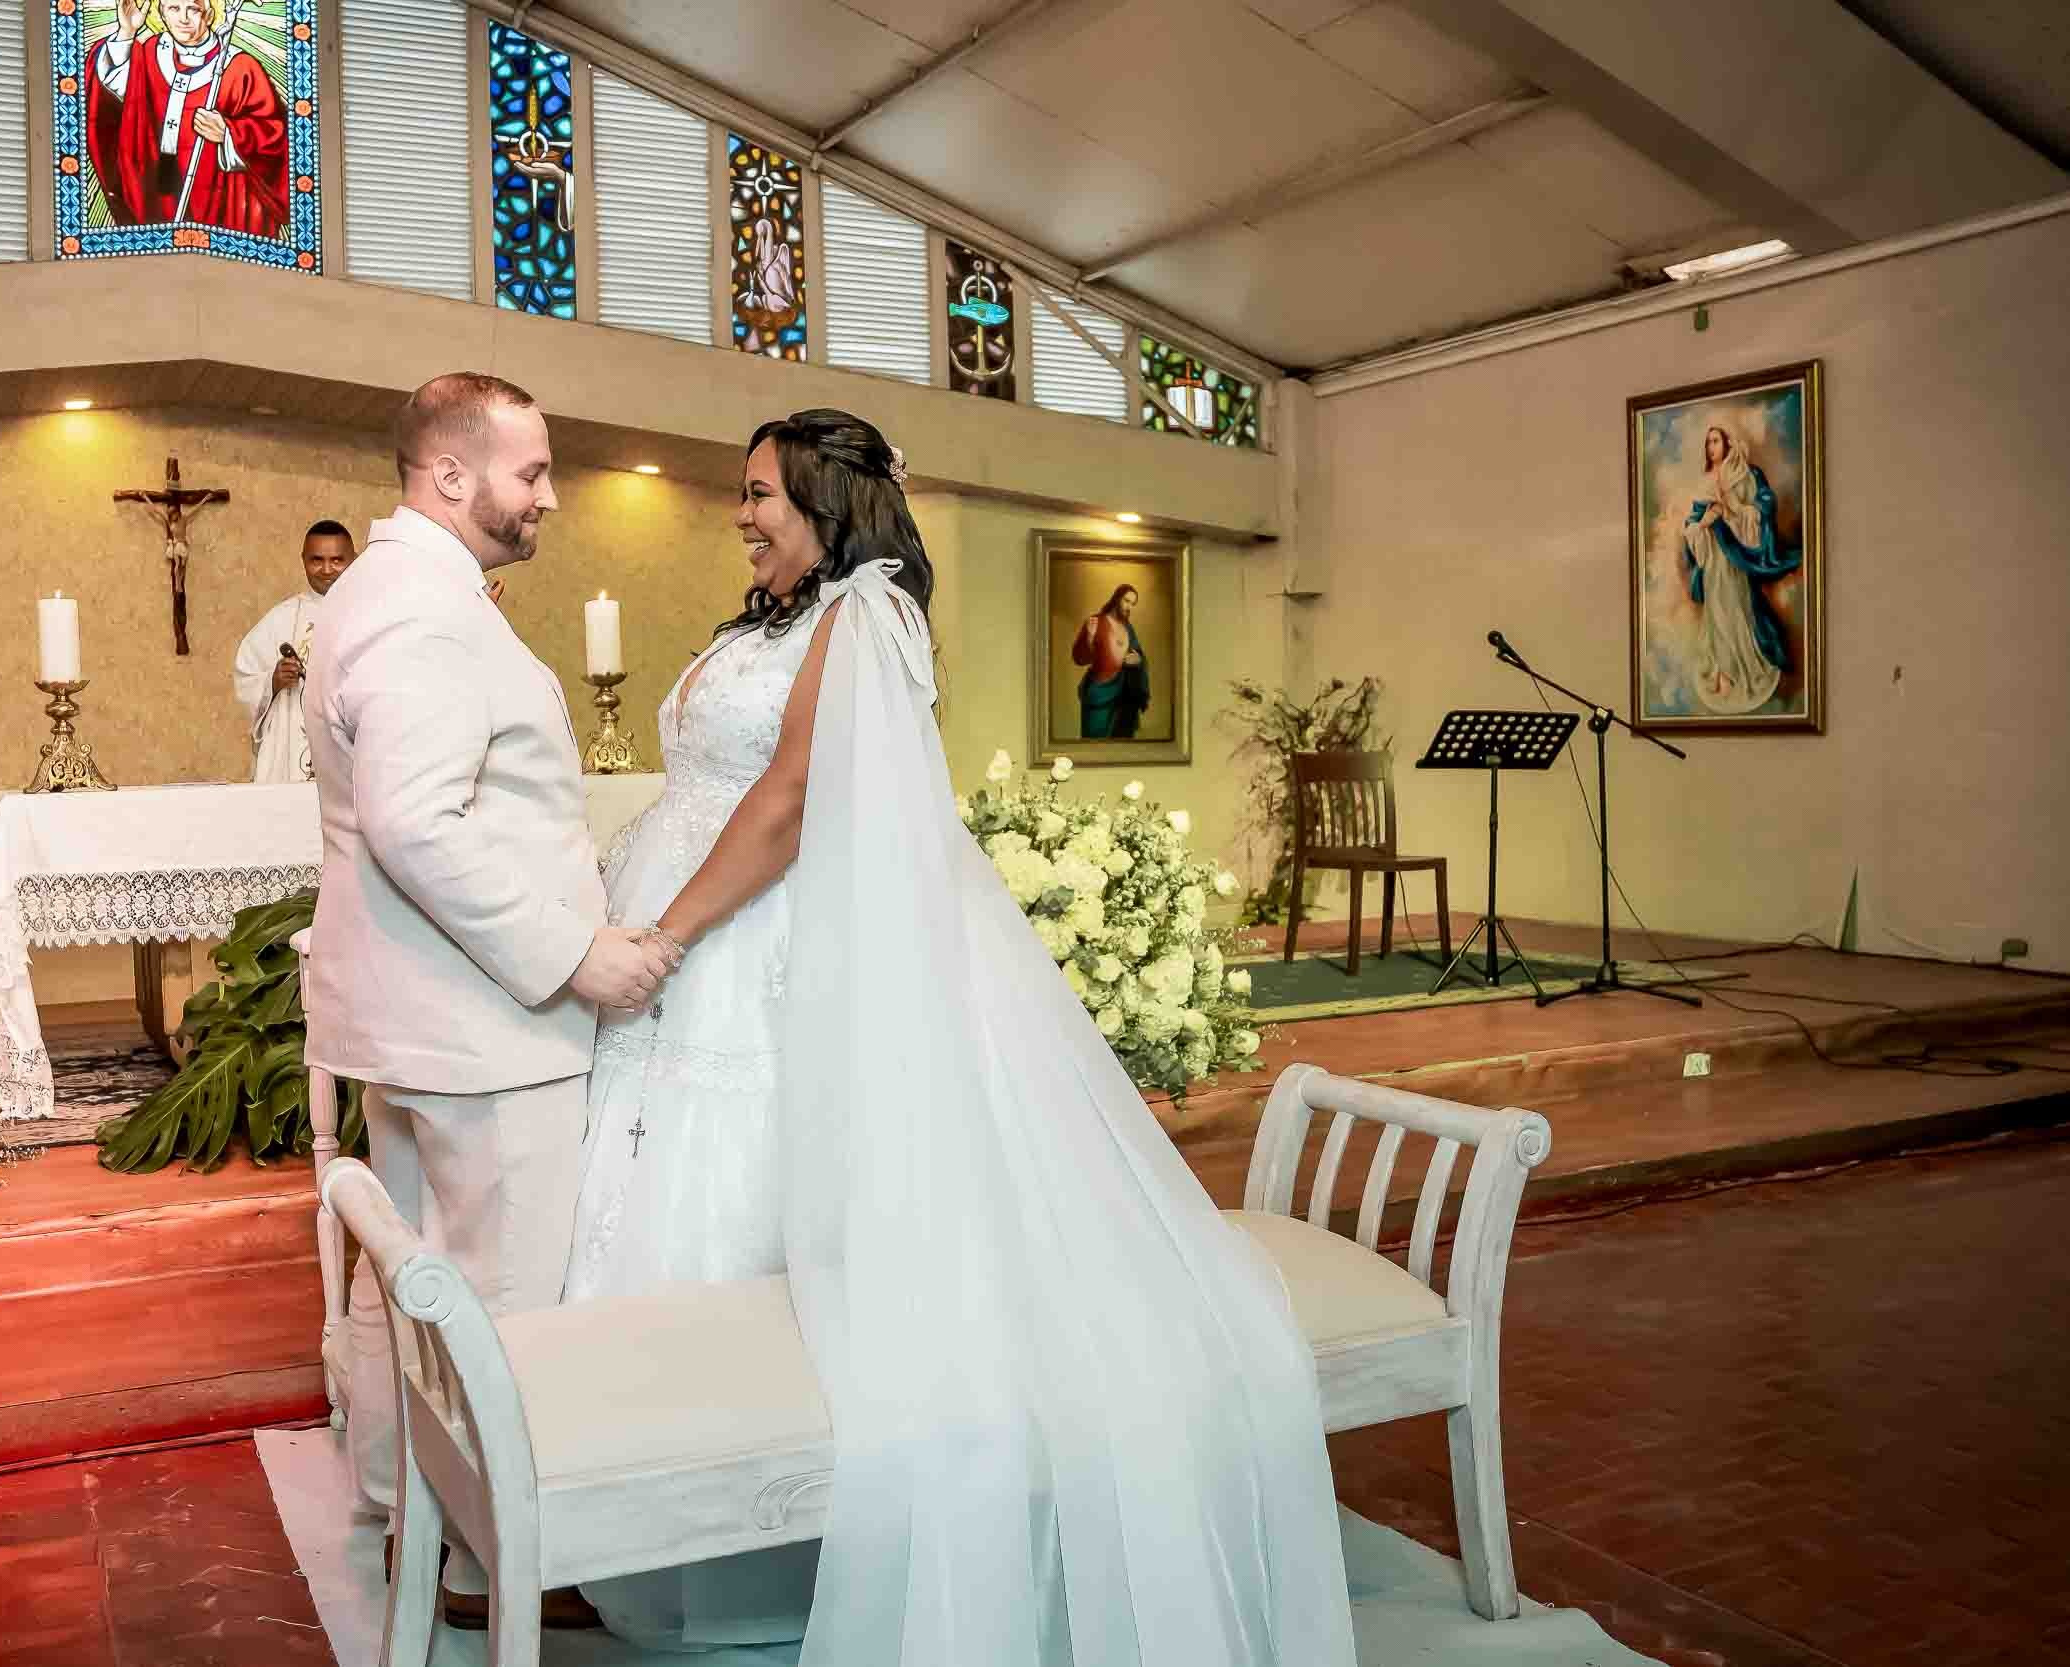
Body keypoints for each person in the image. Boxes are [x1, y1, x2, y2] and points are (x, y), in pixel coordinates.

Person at [564, 408, 1357, 1663]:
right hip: (691, 961)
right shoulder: (771, 620)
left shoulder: (864, 612)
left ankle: (761, 1538)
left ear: (827, 502)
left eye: (760, 490)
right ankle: (638, 1500)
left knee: (752, 1211)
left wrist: (663, 935)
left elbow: (784, 805)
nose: (741, 512)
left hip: (746, 950)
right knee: (679, 1204)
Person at [302, 371, 676, 1622]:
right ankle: (488, 1561)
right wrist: (574, 955)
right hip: (481, 1025)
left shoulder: (391, 586)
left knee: (402, 1274)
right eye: (532, 471)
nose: (550, 496)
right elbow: (418, 823)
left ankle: (401, 1504)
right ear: (450, 475)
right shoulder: (424, 610)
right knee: (506, 1293)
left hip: (418, 1017)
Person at [86, 0, 289, 236]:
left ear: (210, 15)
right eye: (173, 8)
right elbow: (121, 90)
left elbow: (275, 137)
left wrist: (228, 134)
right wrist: (127, 32)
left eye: (193, 9)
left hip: (219, 194)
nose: (183, 18)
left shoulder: (240, 67)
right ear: (161, 13)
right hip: (159, 185)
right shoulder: (152, 51)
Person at [1678, 423, 1801, 715]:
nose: (1711, 447)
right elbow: (1693, 524)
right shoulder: (1706, 481)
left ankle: (1743, 667)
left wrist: (1730, 510)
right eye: (1708, 442)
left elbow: (1759, 512)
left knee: (1736, 612)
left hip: (1735, 562)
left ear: (1728, 444)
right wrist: (1705, 523)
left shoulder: (1746, 475)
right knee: (1716, 616)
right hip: (1714, 562)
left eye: (1716, 441)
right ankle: (1722, 672)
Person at [232, 519, 352, 783]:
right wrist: (273, 682)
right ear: (303, 560)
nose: (326, 569)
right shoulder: (281, 619)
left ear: (353, 560)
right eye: (316, 560)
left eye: (337, 560)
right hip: (292, 753)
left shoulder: (370, 616)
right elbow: (246, 676)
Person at [1072, 582, 1150, 738]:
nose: (1129, 607)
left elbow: (1138, 655)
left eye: (1133, 604)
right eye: (1126, 601)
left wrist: (1138, 660)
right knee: (1094, 744)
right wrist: (1089, 637)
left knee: (1120, 745)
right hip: (1098, 694)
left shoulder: (1128, 628)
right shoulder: (1096, 622)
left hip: (1123, 694)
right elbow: (1079, 658)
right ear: (1116, 599)